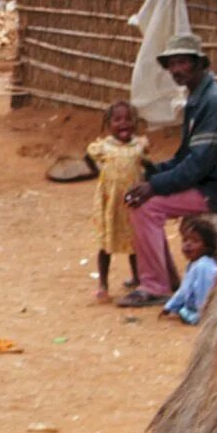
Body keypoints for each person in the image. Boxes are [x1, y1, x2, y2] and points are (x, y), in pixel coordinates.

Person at [118, 33, 217, 307]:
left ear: (199, 64)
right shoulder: (199, 98)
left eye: (182, 63)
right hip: (207, 181)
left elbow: (197, 164)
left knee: (146, 207)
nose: (176, 70)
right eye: (172, 64)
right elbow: (185, 156)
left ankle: (155, 285)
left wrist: (154, 185)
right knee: (144, 196)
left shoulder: (212, 102)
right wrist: (153, 172)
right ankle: (165, 278)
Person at [82, 100, 149, 302]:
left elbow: (145, 165)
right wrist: (99, 175)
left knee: (134, 243)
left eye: (129, 119)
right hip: (110, 203)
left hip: (132, 203)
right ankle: (103, 284)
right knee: (106, 245)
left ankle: (137, 277)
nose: (123, 124)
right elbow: (87, 157)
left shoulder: (139, 145)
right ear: (108, 124)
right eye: (117, 120)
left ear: (136, 123)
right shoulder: (103, 147)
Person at [160, 217, 217, 325]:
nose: (188, 244)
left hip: (204, 311)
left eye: (195, 241)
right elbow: (183, 290)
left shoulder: (204, 267)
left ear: (207, 247)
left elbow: (205, 293)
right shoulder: (193, 264)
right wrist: (169, 307)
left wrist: (203, 315)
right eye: (185, 240)